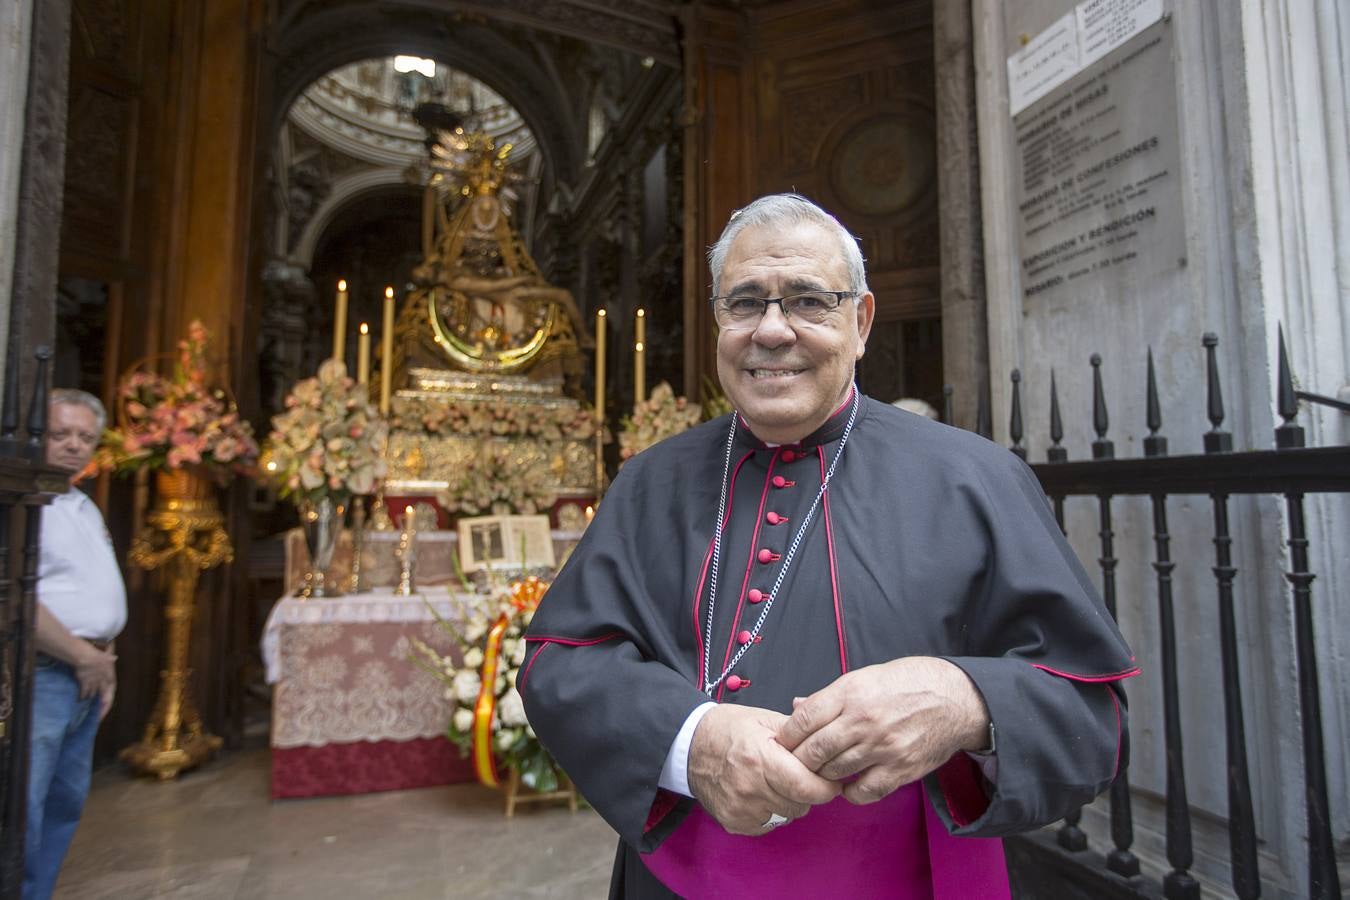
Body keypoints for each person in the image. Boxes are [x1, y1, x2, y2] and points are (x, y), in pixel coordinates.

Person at [520, 194, 1137, 898]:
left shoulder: (974, 478)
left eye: (809, 301)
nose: (773, 330)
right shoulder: (651, 481)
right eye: (745, 302)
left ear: (861, 320)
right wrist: (691, 742)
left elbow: (1096, 717)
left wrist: (966, 702)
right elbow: (561, 666)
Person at [24, 389, 126, 900]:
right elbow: (15, 597)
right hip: (44, 671)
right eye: (60, 434)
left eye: (85, 437)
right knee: (23, 807)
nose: (73, 446)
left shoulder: (81, 503)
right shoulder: (23, 505)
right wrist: (85, 656)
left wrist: (102, 660)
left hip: (86, 672)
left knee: (63, 804)